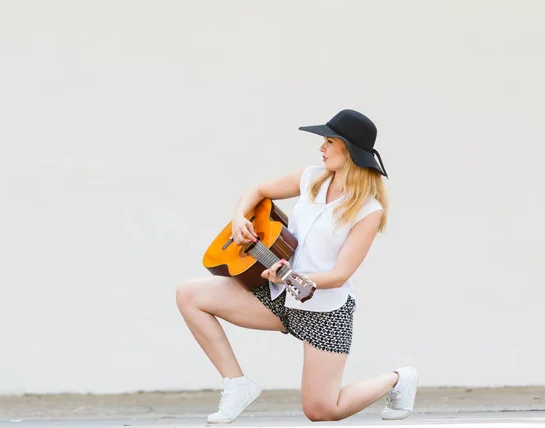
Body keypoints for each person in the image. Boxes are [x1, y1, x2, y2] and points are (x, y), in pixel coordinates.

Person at [176, 109, 418, 424]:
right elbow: (259, 191)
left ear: (351, 151)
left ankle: (399, 379)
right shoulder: (311, 178)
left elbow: (340, 274)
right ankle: (237, 384)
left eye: (330, 142)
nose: (322, 148)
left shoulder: (368, 210)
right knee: (189, 294)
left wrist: (293, 276)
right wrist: (239, 217)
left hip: (326, 313)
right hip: (277, 295)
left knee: (321, 410)